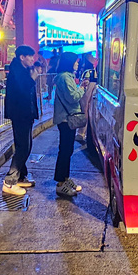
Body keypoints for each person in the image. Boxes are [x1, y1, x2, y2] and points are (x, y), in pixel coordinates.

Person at [2, 45, 40, 197]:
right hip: (20, 114)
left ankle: (21, 176)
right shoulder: (17, 71)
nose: (32, 59)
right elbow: (22, 91)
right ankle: (10, 181)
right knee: (23, 146)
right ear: (22, 57)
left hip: (25, 113)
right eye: (29, 56)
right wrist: (32, 79)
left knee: (24, 145)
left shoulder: (22, 70)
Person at [52, 53, 86, 198]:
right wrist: (82, 88)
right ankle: (60, 183)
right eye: (76, 62)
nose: (77, 64)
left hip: (66, 119)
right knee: (65, 151)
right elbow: (73, 97)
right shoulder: (65, 77)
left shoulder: (65, 77)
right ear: (69, 62)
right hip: (66, 119)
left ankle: (65, 179)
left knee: (68, 150)